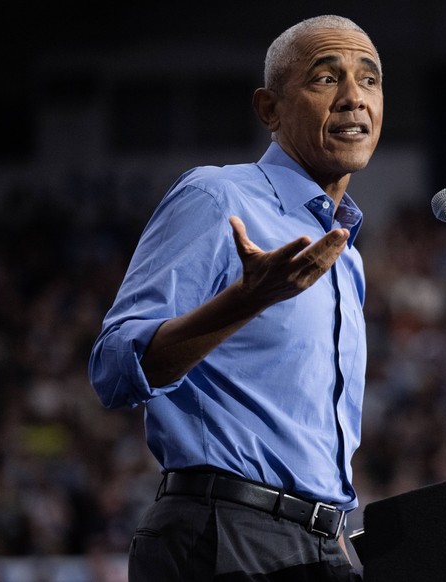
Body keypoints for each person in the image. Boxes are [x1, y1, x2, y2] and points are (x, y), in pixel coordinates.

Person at [88, 14, 383, 581]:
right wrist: (246, 301)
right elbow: (112, 369)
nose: (353, 99)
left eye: (369, 80)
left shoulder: (346, 256)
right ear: (269, 109)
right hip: (221, 537)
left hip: (320, 548)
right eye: (326, 79)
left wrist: (331, 533)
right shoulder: (217, 195)